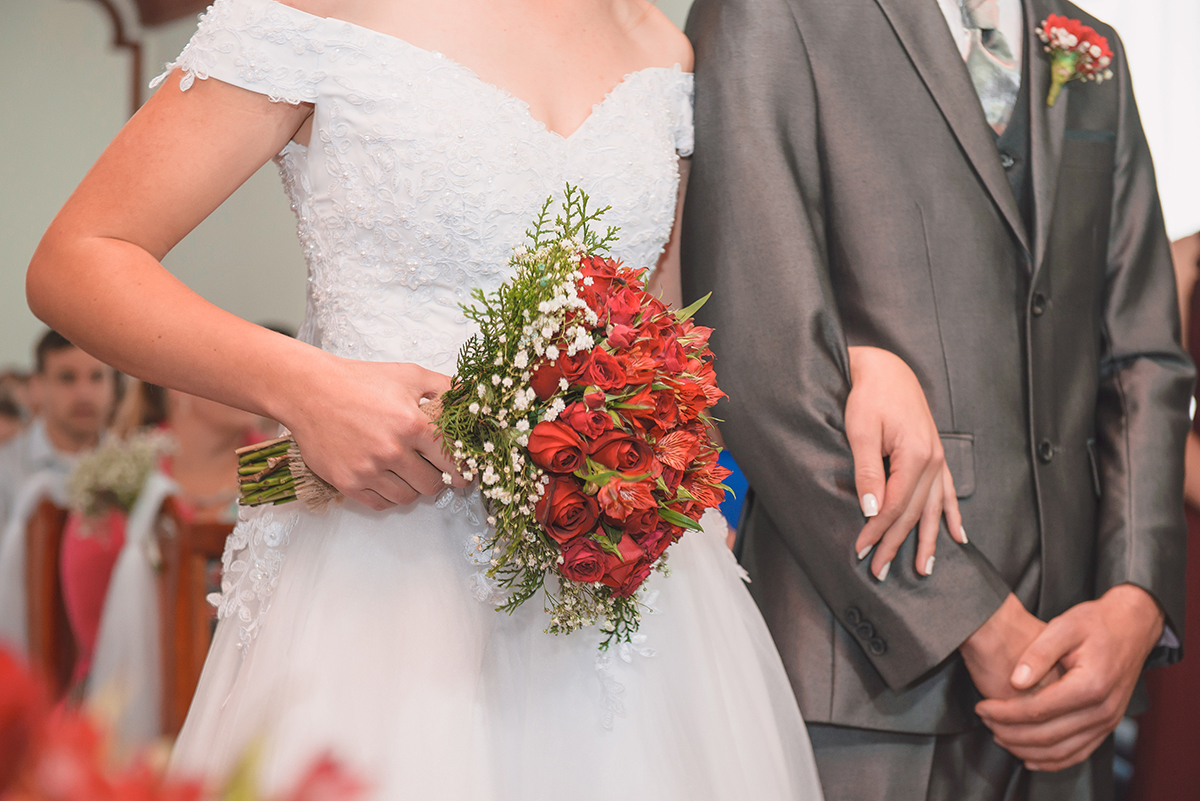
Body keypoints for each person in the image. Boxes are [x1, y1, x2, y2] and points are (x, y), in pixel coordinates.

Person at [29, 0, 959, 797]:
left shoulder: (655, 40)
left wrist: (868, 356)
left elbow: (672, 332)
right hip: (375, 572)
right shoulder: (316, 10)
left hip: (620, 598)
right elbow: (79, 258)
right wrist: (303, 385)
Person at [683, 0, 1190, 798]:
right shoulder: (771, 12)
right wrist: (973, 618)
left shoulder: (1096, 50)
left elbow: (1144, 361)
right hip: (860, 676)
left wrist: (1134, 600)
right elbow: (757, 354)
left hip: (1067, 676)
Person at [0, 331, 116, 531]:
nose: (84, 393)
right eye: (67, 378)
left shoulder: (134, 467)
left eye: (96, 377)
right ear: (37, 386)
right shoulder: (6, 470)